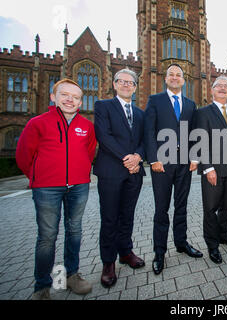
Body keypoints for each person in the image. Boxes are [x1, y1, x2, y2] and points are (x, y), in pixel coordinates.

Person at [16, 79, 97, 300]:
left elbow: (89, 153)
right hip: (47, 188)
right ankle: (42, 286)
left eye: (75, 96)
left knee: (74, 232)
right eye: (65, 95)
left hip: (78, 187)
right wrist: (37, 176)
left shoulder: (86, 126)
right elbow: (24, 155)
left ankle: (71, 275)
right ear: (54, 97)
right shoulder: (37, 123)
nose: (70, 99)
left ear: (80, 101)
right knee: (47, 237)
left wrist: (80, 173)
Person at [144, 64, 203, 275]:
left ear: (183, 79)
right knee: (161, 209)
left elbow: (195, 132)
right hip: (162, 163)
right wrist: (153, 159)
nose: (175, 77)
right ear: (165, 78)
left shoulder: (190, 104)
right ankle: (159, 252)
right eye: (171, 74)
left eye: (178, 75)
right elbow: (149, 131)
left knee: (182, 206)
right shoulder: (155, 100)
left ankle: (181, 243)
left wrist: (195, 157)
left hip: (184, 164)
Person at [94, 69, 146, 288]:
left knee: (127, 216)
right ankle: (108, 263)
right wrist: (128, 159)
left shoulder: (140, 113)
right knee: (109, 218)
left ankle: (125, 252)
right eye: (122, 81)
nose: (126, 85)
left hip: (134, 173)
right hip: (111, 171)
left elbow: (145, 139)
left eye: (130, 82)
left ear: (135, 87)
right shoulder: (103, 106)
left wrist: (139, 156)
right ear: (114, 84)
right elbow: (103, 136)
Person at [195, 76, 227, 264]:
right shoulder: (203, 112)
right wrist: (207, 168)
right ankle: (212, 246)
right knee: (211, 209)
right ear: (212, 90)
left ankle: (225, 236)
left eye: (226, 86)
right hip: (213, 170)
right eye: (219, 86)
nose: (222, 89)